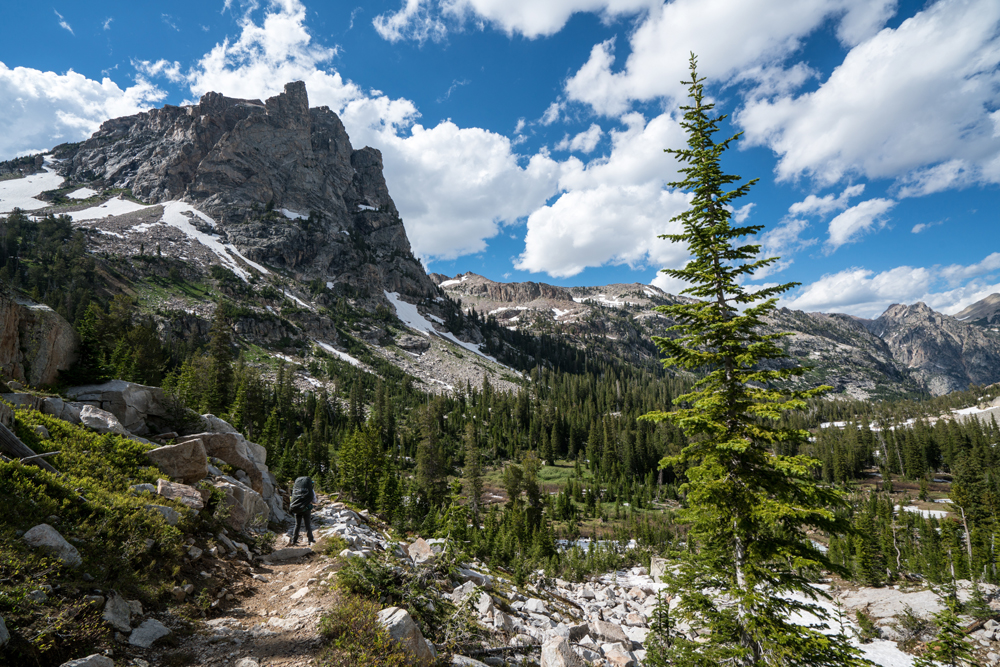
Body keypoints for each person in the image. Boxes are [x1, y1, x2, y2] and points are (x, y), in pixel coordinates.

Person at [289, 476, 317, 545]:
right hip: (306, 509)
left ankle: (294, 540)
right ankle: (310, 539)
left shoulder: (296, 490)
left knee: (297, 524)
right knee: (307, 524)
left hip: (297, 508)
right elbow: (314, 501)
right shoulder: (310, 490)